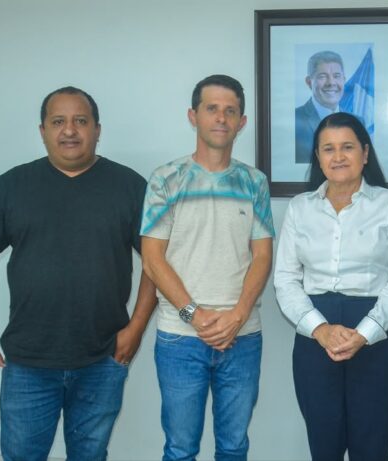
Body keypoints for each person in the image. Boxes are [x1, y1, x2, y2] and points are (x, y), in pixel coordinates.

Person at [0, 86, 158, 461]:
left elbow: (156, 262)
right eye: (58, 121)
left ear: (97, 129)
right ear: (43, 131)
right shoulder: (12, 185)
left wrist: (135, 329)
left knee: (89, 455)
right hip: (28, 361)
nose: (69, 130)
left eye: (80, 121)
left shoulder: (130, 186)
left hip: (102, 358)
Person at [140, 75, 274, 461]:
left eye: (230, 111)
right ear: (193, 116)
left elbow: (262, 256)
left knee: (234, 447)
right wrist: (195, 315)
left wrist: (238, 315)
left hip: (242, 336)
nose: (221, 118)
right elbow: (152, 259)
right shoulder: (166, 179)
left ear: (242, 122)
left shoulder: (254, 182)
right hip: (180, 337)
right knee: (181, 449)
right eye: (211, 108)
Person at [275, 112, 388, 461]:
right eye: (328, 149)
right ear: (318, 157)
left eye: (347, 147)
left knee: (372, 446)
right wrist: (320, 329)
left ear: (365, 153)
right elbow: (286, 279)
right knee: (324, 446)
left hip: (376, 335)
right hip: (315, 335)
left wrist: (364, 333)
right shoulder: (300, 208)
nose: (338, 156)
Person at [295, 51, 346, 163]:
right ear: (309, 82)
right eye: (322, 76)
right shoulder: (293, 120)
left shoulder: (358, 121)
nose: (331, 82)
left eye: (337, 76)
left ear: (344, 80)